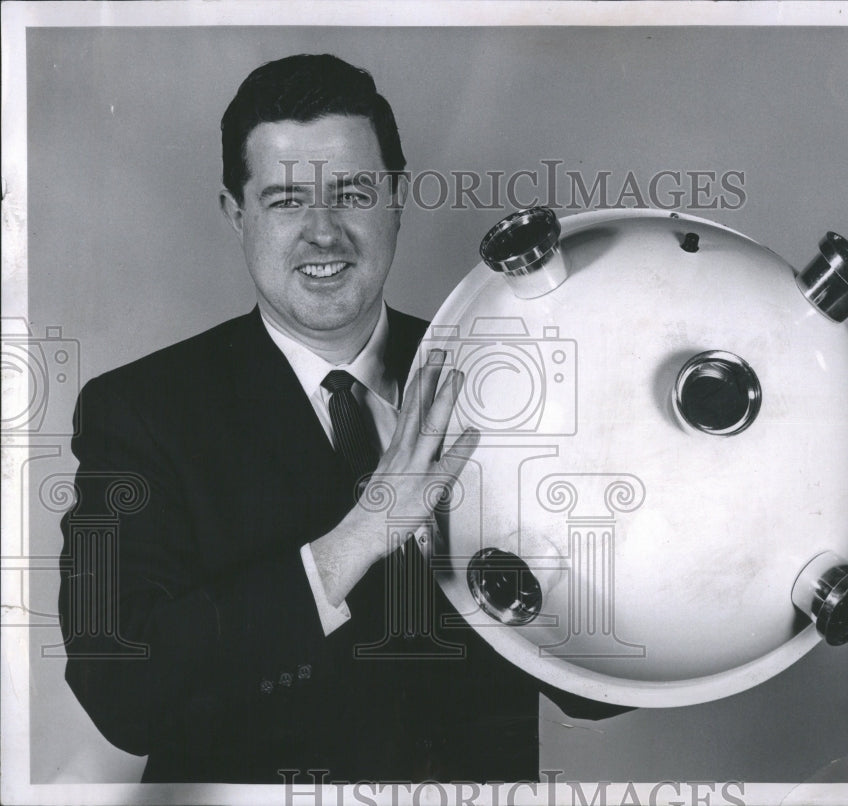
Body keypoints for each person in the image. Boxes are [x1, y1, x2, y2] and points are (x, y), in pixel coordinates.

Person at [58, 53, 617, 785]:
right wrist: (363, 533)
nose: (324, 233)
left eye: (352, 192)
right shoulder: (139, 410)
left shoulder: (504, 377)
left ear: (395, 199)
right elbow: (119, 691)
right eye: (287, 200)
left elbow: (596, 686)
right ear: (237, 215)